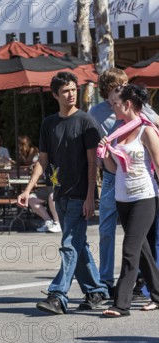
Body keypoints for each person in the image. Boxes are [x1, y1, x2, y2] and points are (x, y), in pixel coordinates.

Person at [17, 71, 109, 315]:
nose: (71, 94)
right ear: (55, 95)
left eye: (73, 89)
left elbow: (93, 163)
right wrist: (28, 189)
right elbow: (43, 160)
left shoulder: (86, 122)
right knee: (78, 246)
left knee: (69, 244)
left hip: (81, 194)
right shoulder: (49, 123)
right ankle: (97, 291)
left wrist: (91, 196)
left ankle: (58, 295)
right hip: (60, 194)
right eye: (66, 91)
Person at [88, 68, 159, 298]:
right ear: (107, 91)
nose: (123, 90)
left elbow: (154, 126)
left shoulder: (138, 107)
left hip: (139, 176)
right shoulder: (97, 113)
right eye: (118, 86)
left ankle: (136, 285)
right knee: (106, 228)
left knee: (138, 237)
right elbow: (91, 141)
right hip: (111, 176)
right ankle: (106, 279)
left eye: (125, 85)